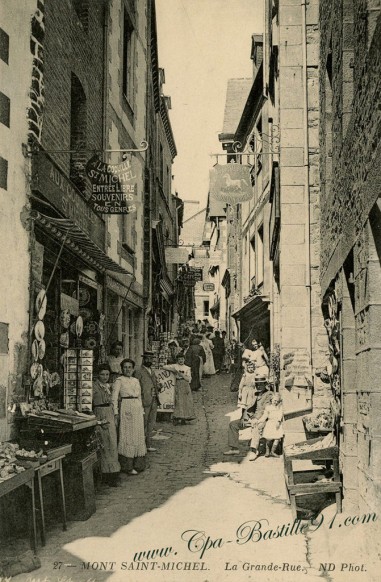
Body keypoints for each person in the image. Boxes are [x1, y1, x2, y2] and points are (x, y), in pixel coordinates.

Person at [223, 375, 273, 460]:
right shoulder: (255, 393)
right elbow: (248, 407)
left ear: (265, 384)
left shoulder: (269, 395)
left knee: (255, 428)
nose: (258, 386)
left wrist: (256, 419)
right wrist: (244, 418)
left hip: (263, 419)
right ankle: (234, 448)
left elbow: (265, 410)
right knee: (233, 424)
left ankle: (254, 451)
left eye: (261, 384)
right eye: (257, 384)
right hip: (252, 418)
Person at [112, 359, 146, 474]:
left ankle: (139, 464)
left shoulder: (136, 380)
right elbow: (114, 398)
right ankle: (127, 466)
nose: (127, 369)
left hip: (137, 408)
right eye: (125, 367)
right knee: (128, 435)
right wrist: (116, 413)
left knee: (138, 435)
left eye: (130, 367)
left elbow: (140, 396)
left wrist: (141, 410)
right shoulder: (119, 380)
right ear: (122, 369)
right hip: (126, 407)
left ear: (133, 369)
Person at [92, 364, 120, 486]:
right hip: (100, 413)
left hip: (109, 413)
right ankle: (104, 475)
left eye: (107, 374)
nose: (105, 377)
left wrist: (115, 415)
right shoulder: (93, 386)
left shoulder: (108, 386)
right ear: (98, 375)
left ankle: (113, 474)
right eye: (102, 374)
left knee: (112, 443)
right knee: (104, 443)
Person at [134, 351, 160, 453]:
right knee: (142, 423)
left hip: (154, 399)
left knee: (151, 423)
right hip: (144, 400)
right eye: (147, 358)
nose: (149, 360)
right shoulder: (139, 371)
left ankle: (148, 444)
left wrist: (158, 387)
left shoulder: (151, 371)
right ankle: (140, 445)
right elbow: (136, 387)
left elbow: (154, 383)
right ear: (143, 359)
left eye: (151, 359)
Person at [162, 352, 195, 425]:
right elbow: (164, 367)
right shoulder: (175, 366)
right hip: (177, 383)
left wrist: (181, 374)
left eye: (182, 359)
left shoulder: (187, 368)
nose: (181, 361)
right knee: (178, 400)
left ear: (184, 360)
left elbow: (188, 379)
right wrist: (173, 370)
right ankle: (177, 417)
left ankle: (185, 417)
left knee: (185, 401)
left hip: (185, 384)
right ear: (177, 360)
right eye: (179, 359)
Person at [257, 392, 284, 457]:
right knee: (268, 438)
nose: (276, 402)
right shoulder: (268, 407)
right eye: (274, 400)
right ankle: (267, 451)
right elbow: (264, 416)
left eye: (277, 401)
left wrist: (278, 421)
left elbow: (280, 415)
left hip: (276, 424)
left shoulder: (279, 408)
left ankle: (273, 451)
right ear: (271, 400)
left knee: (277, 438)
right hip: (270, 424)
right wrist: (259, 421)